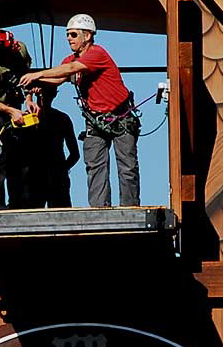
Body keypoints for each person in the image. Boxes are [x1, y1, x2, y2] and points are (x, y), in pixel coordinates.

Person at [20, 14, 140, 207]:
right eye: (68, 35)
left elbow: (71, 69)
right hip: (95, 120)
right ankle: (100, 209)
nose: (69, 38)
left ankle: (130, 208)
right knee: (95, 165)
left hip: (121, 117)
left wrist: (38, 74)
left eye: (73, 34)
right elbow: (58, 77)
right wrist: (33, 85)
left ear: (87, 36)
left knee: (127, 167)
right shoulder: (70, 60)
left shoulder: (97, 54)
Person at [0, 29, 39, 209]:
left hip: (17, 108)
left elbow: (24, 75)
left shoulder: (20, 49)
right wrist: (9, 111)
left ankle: (18, 203)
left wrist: (29, 99)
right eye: (10, 44)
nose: (15, 44)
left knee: (20, 159)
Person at [33, 86, 79, 208]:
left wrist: (62, 169)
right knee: (62, 218)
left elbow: (75, 154)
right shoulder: (62, 118)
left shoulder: (27, 119)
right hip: (49, 175)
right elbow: (75, 154)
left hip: (39, 175)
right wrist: (62, 169)